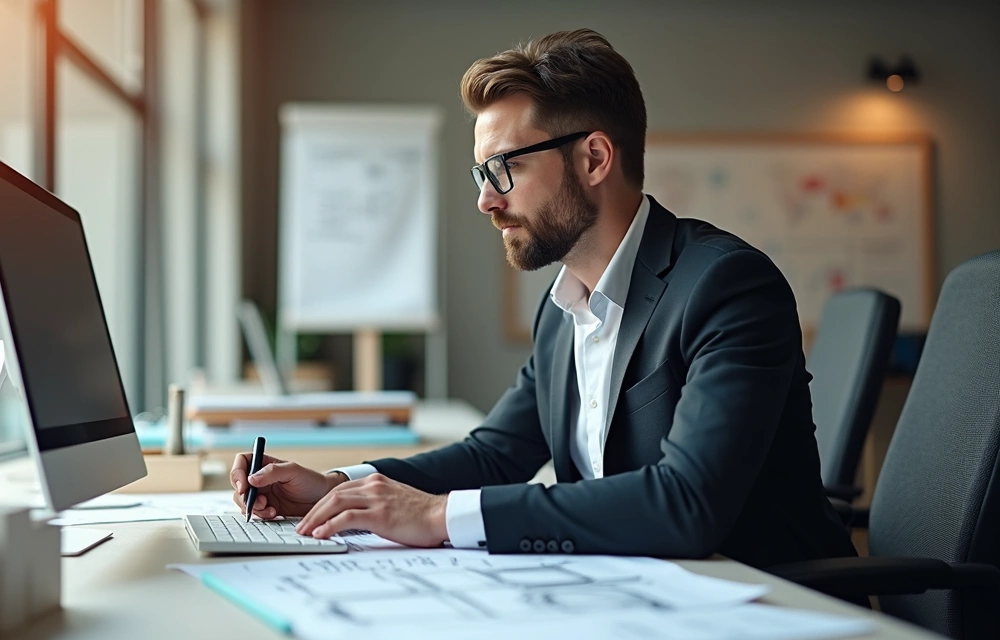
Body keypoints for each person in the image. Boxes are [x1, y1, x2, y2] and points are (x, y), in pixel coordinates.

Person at [231, 28, 856, 568]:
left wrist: (442, 517)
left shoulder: (726, 286)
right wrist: (342, 486)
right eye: (481, 173)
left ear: (593, 158)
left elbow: (686, 502)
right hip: (634, 594)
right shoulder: (564, 311)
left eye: (505, 168)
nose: (487, 200)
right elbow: (497, 452)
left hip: (764, 602)